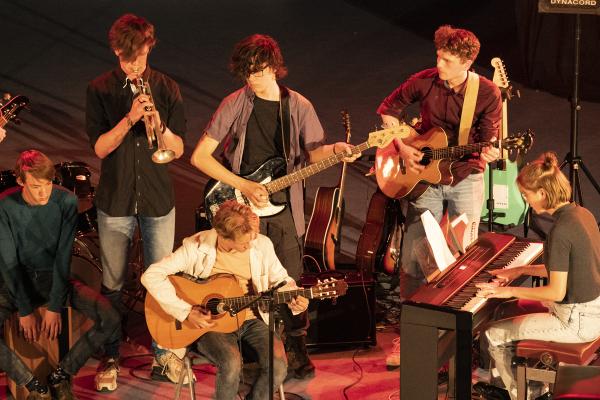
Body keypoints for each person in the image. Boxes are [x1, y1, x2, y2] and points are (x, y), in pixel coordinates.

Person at [190, 33, 358, 379]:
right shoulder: (235, 103)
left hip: (283, 209)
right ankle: (251, 349)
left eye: (258, 71)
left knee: (289, 279)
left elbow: (315, 153)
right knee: (243, 281)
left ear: (273, 68)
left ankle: (295, 347)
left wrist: (337, 150)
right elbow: (200, 157)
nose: (252, 78)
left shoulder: (298, 105)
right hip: (241, 208)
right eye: (247, 72)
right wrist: (244, 186)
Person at [376, 25, 502, 368]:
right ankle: (411, 334)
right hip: (426, 178)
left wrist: (489, 152)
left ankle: (461, 336)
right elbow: (387, 109)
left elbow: (488, 139)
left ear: (468, 62)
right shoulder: (424, 80)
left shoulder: (487, 92)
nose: (439, 64)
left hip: (465, 175)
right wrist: (402, 146)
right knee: (415, 256)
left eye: (447, 60)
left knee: (466, 257)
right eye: (438, 56)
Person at [85, 13, 186, 391]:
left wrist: (158, 123)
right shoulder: (99, 89)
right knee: (113, 283)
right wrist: (129, 119)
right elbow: (99, 148)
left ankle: (164, 353)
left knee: (161, 281)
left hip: (158, 200)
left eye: (142, 56)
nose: (136, 65)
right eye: (130, 58)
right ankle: (110, 355)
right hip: (116, 200)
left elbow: (177, 149)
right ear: (116, 51)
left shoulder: (167, 87)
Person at [141, 200, 308, 399]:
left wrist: (294, 296)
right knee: (231, 364)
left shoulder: (261, 244)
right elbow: (151, 275)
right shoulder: (196, 246)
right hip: (209, 326)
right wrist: (185, 311)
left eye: (252, 239)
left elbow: (281, 280)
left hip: (252, 320)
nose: (250, 245)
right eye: (244, 243)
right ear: (222, 235)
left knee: (278, 366)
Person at [472, 152, 600, 400]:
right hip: (591, 311)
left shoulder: (561, 231)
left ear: (542, 193)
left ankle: (521, 393)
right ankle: (522, 382)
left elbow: (556, 291)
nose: (526, 201)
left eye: (526, 195)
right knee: (505, 311)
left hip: (575, 321)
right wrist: (518, 270)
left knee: (493, 333)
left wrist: (507, 290)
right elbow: (562, 269)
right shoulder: (581, 214)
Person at [0, 150, 119, 400]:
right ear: (20, 181)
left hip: (55, 279)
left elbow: (63, 256)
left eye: (48, 184)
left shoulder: (66, 200)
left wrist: (55, 305)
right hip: (18, 282)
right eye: (36, 186)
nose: (44, 192)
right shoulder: (5, 204)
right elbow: (8, 262)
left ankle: (61, 375)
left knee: (110, 317)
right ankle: (33, 386)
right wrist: (24, 309)